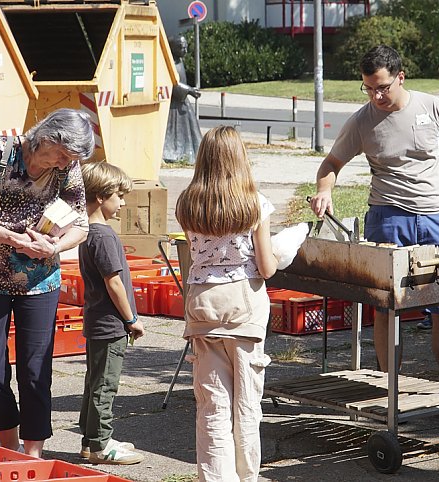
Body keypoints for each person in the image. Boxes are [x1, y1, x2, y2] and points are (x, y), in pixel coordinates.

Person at [309, 45, 439, 407]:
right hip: (388, 218)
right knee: (387, 309)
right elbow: (331, 163)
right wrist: (324, 191)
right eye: (368, 88)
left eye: (382, 88)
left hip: (436, 219)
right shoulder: (362, 120)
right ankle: (391, 393)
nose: (376, 96)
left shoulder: (432, 107)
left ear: (400, 78)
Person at [0, 108, 95, 458]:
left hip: (40, 281)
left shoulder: (68, 167)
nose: (64, 164)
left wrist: (54, 246)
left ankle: (32, 455)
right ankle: (9, 445)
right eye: (62, 155)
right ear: (47, 137)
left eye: (71, 159)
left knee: (36, 370)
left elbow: (81, 224)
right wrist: (17, 241)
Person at [175, 125, 278, 481]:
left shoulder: (188, 204)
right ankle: (247, 476)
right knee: (246, 404)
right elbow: (265, 268)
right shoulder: (255, 205)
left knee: (212, 405)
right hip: (243, 305)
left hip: (202, 304)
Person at [77, 161, 146, 465]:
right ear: (101, 196)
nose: (123, 202)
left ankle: (91, 440)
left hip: (96, 321)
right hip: (110, 324)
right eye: (119, 196)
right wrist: (131, 319)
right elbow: (113, 282)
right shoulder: (104, 237)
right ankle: (101, 446)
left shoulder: (87, 233)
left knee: (94, 382)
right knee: (105, 385)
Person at [163, 34, 202, 164]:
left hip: (182, 102)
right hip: (173, 105)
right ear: (173, 48)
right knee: (173, 132)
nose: (184, 51)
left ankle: (192, 153)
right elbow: (173, 84)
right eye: (181, 48)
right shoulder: (170, 63)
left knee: (191, 131)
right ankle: (174, 153)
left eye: (186, 47)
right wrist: (189, 90)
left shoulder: (180, 61)